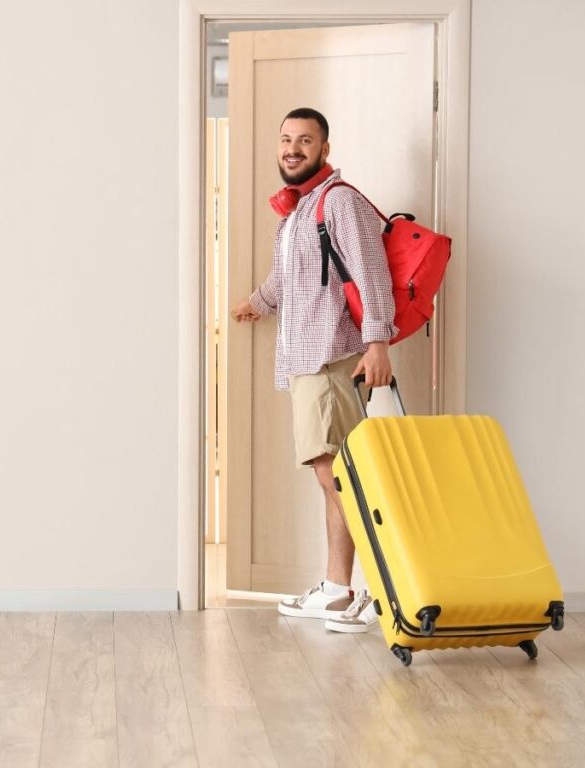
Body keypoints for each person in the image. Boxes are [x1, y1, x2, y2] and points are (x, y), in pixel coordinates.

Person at [231, 107, 396, 634]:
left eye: (305, 140)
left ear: (324, 149)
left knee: (339, 478)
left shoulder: (338, 201)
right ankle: (337, 588)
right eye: (286, 139)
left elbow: (372, 274)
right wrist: (256, 304)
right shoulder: (299, 210)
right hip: (306, 361)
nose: (292, 149)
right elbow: (288, 279)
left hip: (328, 359)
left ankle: (377, 592)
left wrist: (378, 342)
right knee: (335, 477)